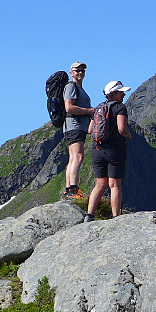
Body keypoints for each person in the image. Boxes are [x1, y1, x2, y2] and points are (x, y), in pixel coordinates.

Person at [84, 80, 132, 222]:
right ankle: (115, 217)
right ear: (114, 94)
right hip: (114, 150)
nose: (123, 94)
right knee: (114, 184)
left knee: (100, 184)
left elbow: (90, 130)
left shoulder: (99, 108)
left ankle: (89, 215)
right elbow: (121, 129)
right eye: (121, 92)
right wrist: (129, 135)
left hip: (97, 149)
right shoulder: (120, 107)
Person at [62, 61, 95, 198]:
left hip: (74, 126)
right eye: (77, 70)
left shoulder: (78, 88)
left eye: (83, 70)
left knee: (72, 157)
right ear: (71, 73)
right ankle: (73, 189)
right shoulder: (71, 87)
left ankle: (69, 188)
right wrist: (89, 111)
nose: (80, 72)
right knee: (78, 156)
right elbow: (69, 107)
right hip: (75, 125)